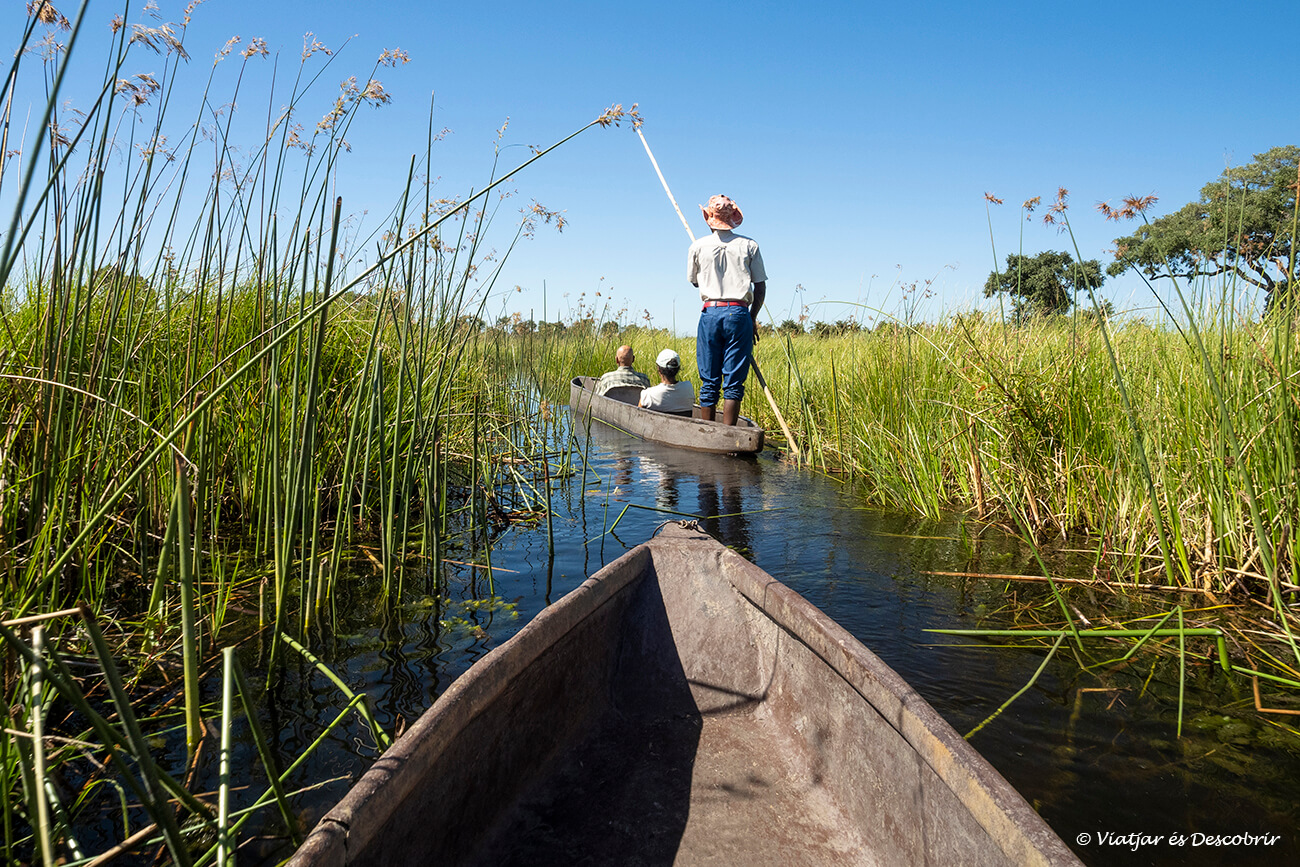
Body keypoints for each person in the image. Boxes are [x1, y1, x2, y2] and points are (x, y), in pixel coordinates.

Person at [688, 194, 766, 426]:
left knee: (709, 380)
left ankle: (708, 434)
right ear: (732, 217)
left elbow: (695, 282)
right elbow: (760, 285)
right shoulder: (749, 245)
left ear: (710, 216)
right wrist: (752, 318)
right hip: (739, 313)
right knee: (733, 382)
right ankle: (728, 436)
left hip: (710, 312)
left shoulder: (697, 246)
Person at [638, 348, 696, 414]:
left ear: (659, 369)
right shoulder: (688, 388)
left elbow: (638, 416)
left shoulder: (648, 394)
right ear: (678, 369)